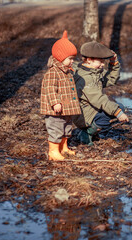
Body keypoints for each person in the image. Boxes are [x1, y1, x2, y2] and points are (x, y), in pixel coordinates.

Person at [72, 41, 129, 146]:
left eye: (104, 62)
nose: (103, 65)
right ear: (89, 60)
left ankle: (92, 130)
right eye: (100, 62)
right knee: (109, 116)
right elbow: (99, 99)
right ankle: (85, 133)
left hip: (90, 110)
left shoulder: (94, 72)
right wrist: (118, 113)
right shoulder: (85, 78)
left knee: (119, 107)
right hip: (82, 115)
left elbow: (111, 79)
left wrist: (114, 63)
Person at [40, 30, 82, 160]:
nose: (72, 62)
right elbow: (50, 89)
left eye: (73, 59)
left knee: (67, 128)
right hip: (56, 110)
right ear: (60, 57)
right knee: (56, 128)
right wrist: (55, 102)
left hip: (66, 109)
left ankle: (64, 148)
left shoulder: (67, 72)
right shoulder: (53, 72)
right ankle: (53, 151)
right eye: (70, 59)